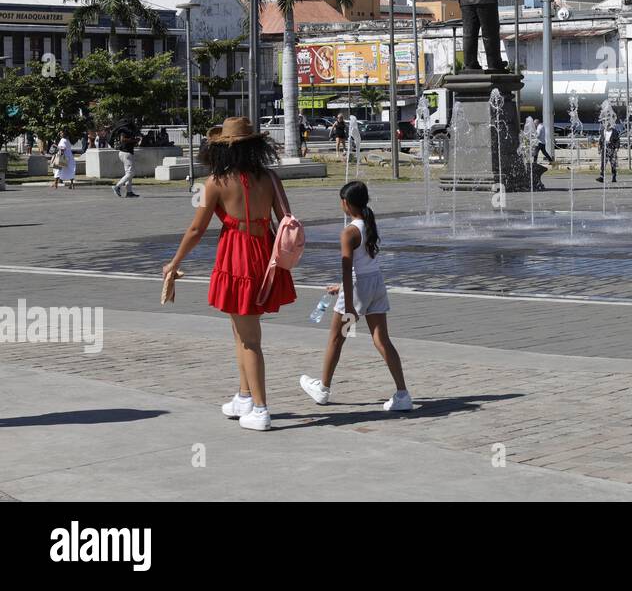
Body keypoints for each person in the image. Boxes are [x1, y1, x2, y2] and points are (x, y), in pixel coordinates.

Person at [161, 117, 297, 431]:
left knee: (249, 339)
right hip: (264, 252)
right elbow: (286, 220)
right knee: (239, 330)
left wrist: (174, 262)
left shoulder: (217, 183)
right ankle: (245, 397)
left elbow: (197, 229)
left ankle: (261, 410)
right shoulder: (270, 177)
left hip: (237, 255)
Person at [300, 182, 411, 412]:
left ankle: (323, 388)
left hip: (357, 289)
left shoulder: (348, 232)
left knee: (336, 339)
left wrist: (348, 303)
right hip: (376, 285)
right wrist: (340, 288)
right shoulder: (368, 222)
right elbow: (364, 265)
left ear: (346, 203)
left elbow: (347, 268)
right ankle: (403, 394)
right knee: (382, 340)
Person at [112, 122, 140, 198]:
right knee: (131, 173)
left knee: (128, 173)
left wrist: (135, 141)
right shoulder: (124, 130)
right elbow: (122, 139)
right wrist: (134, 140)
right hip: (126, 153)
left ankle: (129, 192)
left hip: (126, 153)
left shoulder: (128, 131)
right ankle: (117, 186)